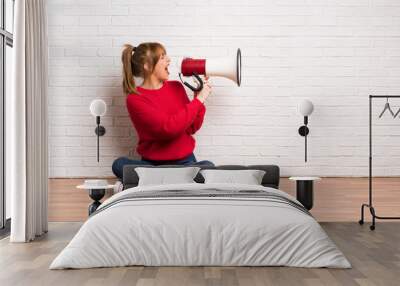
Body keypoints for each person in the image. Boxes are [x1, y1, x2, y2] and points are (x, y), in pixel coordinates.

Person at [112, 42, 214, 192]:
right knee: (118, 165)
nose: (169, 60)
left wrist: (197, 99)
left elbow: (192, 127)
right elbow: (167, 129)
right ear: (147, 65)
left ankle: (156, 183)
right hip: (152, 165)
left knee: (209, 167)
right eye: (162, 57)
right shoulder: (135, 99)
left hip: (185, 162)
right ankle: (179, 183)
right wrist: (199, 101)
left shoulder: (176, 87)